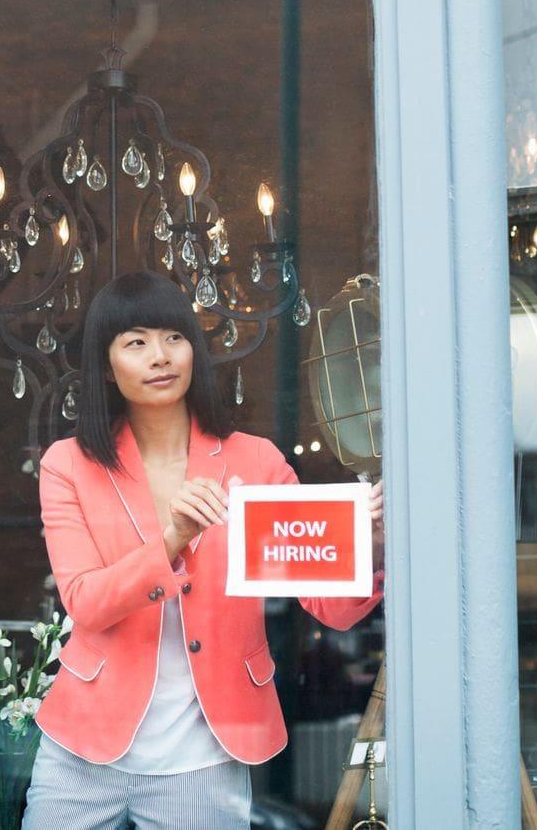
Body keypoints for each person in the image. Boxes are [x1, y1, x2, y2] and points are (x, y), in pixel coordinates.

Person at [25, 271, 384, 830]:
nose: (160, 356)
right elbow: (85, 602)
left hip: (206, 754)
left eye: (174, 337)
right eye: (136, 342)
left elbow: (328, 605)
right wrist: (172, 539)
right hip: (83, 747)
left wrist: (372, 545)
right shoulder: (68, 465)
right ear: (105, 365)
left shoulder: (256, 462)